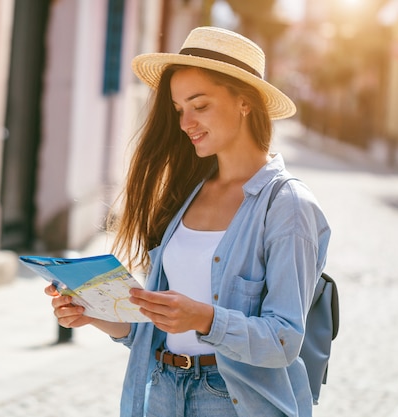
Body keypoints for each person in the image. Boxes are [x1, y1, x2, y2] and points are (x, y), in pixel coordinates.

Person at [45, 26, 330, 417]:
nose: (185, 122)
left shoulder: (287, 206)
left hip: (232, 401)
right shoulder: (187, 194)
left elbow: (283, 340)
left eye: (200, 105)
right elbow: (161, 329)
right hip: (163, 391)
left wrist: (204, 317)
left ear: (245, 102)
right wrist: (95, 315)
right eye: (179, 109)